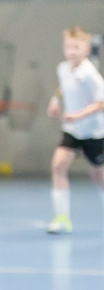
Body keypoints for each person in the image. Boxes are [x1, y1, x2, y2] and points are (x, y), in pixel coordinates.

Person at [45, 26, 104, 234]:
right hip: (72, 130)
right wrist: (55, 100)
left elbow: (101, 102)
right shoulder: (63, 68)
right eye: (68, 47)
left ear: (86, 49)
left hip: (94, 132)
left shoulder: (91, 75)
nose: (71, 51)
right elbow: (64, 86)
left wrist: (80, 115)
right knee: (58, 166)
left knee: (98, 177)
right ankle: (62, 218)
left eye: (76, 47)